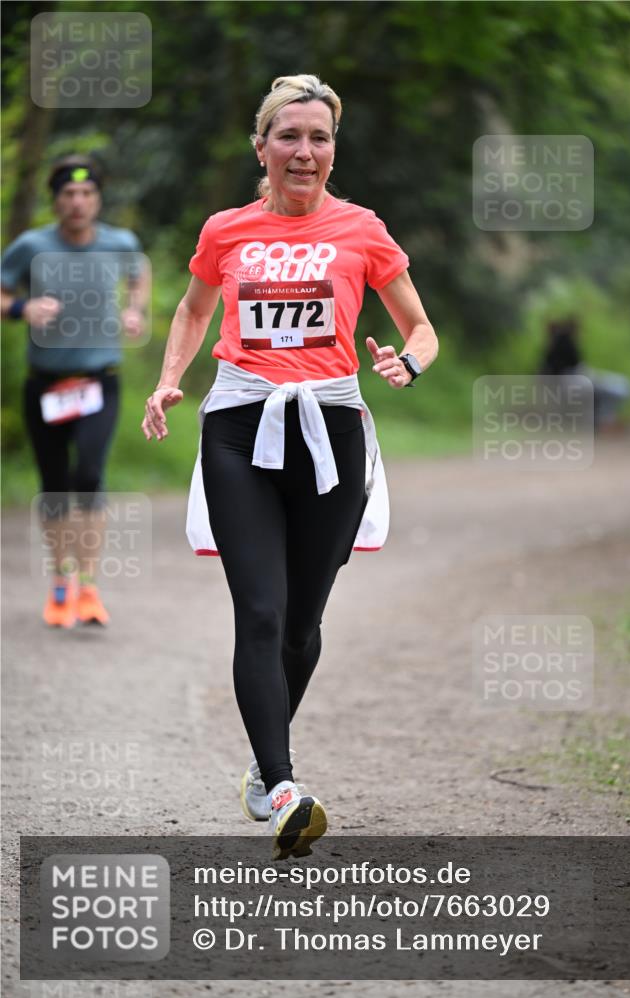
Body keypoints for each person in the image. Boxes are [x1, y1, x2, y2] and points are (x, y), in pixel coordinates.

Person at [142, 75, 439, 859]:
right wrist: (173, 375)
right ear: (263, 147)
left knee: (303, 623)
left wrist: (409, 362)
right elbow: (193, 308)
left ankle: (260, 763)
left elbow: (420, 327)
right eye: (289, 136)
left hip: (331, 427)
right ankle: (281, 785)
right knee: (262, 612)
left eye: (318, 138)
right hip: (239, 423)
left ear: (332, 150)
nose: (304, 152)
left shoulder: (362, 229)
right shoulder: (226, 229)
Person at [1, 154, 149, 627]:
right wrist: (22, 308)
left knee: (89, 474)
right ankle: (60, 581)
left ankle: (88, 587)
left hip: (98, 381)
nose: (78, 202)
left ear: (98, 199)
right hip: (45, 384)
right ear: (56, 199)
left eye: (87, 194)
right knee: (55, 485)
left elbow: (138, 273)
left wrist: (135, 310)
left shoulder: (120, 242)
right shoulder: (31, 246)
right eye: (68, 194)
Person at [540, 317, 630, 429]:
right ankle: (604, 421)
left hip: (572, 380)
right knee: (615, 388)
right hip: (573, 381)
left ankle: (603, 421)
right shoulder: (563, 342)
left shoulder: (554, 346)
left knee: (609, 389)